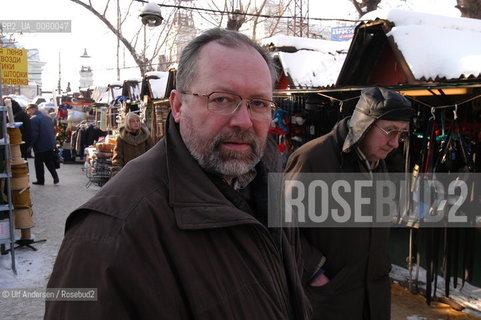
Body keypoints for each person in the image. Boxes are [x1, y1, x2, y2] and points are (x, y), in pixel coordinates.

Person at [45, 28, 310, 319]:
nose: (243, 121)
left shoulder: (268, 184)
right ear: (178, 105)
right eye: (221, 99)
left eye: (258, 103)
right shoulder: (112, 234)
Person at [285, 87, 414, 320]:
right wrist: (313, 272)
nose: (395, 143)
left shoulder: (378, 163)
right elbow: (281, 226)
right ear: (363, 124)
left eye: (402, 133)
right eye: (390, 131)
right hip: (329, 300)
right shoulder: (313, 159)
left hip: (373, 298)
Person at [111, 111, 154, 176]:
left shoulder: (146, 136)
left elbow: (152, 153)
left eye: (137, 121)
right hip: (127, 172)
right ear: (128, 123)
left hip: (144, 172)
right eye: (132, 121)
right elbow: (117, 157)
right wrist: (117, 173)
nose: (136, 123)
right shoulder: (121, 138)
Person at [26, 103, 59, 185]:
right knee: (49, 161)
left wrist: (30, 145)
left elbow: (34, 134)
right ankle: (55, 177)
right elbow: (53, 131)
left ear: (32, 109)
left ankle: (40, 180)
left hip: (40, 144)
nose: (27, 112)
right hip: (50, 143)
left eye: (28, 110)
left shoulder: (33, 119)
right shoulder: (47, 118)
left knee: (38, 163)